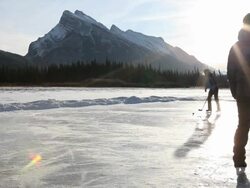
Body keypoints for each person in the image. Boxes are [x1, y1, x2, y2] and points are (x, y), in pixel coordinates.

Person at [227, 13, 250, 175]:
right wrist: (236, 92)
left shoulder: (236, 46)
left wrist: (236, 92)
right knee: (243, 126)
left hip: (242, 93)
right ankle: (239, 159)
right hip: (243, 93)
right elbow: (231, 72)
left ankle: (238, 159)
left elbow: (230, 73)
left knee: (243, 126)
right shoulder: (236, 46)